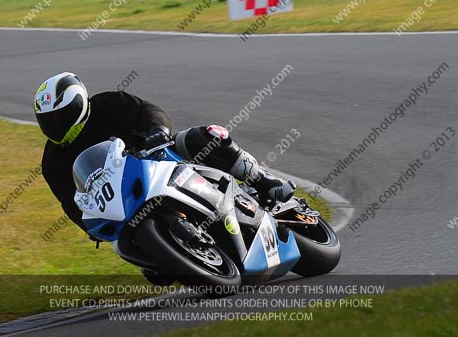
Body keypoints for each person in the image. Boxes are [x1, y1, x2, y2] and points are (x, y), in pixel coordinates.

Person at [34, 72, 296, 233]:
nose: (57, 126)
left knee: (202, 137)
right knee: (151, 269)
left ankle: (263, 180)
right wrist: (89, 226)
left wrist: (157, 131)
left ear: (80, 103)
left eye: (63, 116)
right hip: (123, 201)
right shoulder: (53, 161)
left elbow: (149, 111)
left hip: (157, 158)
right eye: (49, 120)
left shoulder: (108, 104)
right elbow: (71, 202)